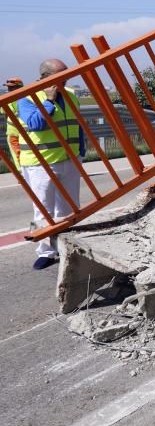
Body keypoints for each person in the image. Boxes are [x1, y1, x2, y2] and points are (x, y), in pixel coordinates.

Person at [17, 59, 85, 270]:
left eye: (67, 75)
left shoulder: (72, 95)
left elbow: (77, 124)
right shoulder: (26, 97)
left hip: (69, 159)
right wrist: (49, 101)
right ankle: (46, 252)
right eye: (61, 76)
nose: (67, 79)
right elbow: (36, 124)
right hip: (40, 163)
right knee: (43, 210)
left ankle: (67, 248)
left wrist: (81, 151)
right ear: (46, 78)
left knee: (69, 207)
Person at [4, 77, 23, 172]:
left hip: (24, 132)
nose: (9, 90)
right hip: (13, 133)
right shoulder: (7, 100)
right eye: (8, 88)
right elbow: (5, 114)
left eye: (12, 88)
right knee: (17, 154)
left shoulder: (25, 99)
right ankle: (22, 174)